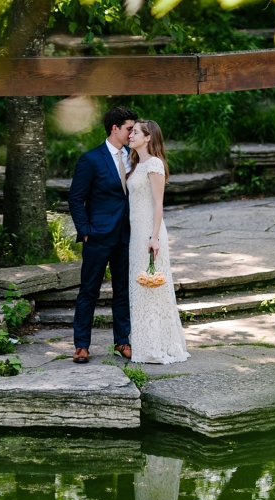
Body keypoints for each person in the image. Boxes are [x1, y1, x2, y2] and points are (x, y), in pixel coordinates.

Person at [68, 106, 137, 363]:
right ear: (115, 128)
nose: (133, 133)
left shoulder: (135, 156)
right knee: (89, 290)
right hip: (97, 236)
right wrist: (85, 231)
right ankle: (81, 345)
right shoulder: (91, 159)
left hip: (126, 236)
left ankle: (122, 341)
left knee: (123, 291)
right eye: (129, 129)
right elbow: (76, 198)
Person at [127, 119, 189, 364]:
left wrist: (154, 238)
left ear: (148, 137)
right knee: (141, 287)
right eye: (130, 132)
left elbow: (158, 203)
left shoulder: (154, 164)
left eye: (134, 132)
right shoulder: (136, 164)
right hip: (135, 232)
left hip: (149, 233)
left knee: (153, 286)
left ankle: (157, 346)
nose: (130, 136)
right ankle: (145, 344)